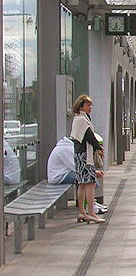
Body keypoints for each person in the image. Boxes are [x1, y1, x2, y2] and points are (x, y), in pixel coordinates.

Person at [47, 136, 107, 214]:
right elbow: (76, 167)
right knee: (84, 179)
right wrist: (94, 172)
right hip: (58, 176)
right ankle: (89, 206)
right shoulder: (66, 149)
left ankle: (91, 203)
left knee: (85, 178)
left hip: (63, 173)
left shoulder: (66, 146)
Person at [71, 95, 105, 223]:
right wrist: (99, 148)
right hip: (85, 156)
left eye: (90, 105)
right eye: (87, 105)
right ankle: (91, 213)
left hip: (79, 155)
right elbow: (89, 137)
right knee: (90, 183)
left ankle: (82, 212)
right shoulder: (82, 120)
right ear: (81, 106)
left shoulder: (77, 119)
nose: (90, 108)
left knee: (83, 184)